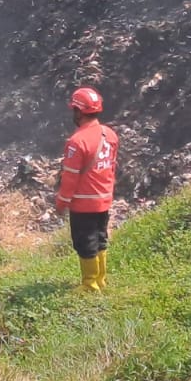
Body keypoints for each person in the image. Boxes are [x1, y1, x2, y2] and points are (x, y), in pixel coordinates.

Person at [54, 86, 119, 291]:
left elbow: (70, 177)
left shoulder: (77, 141)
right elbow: (111, 167)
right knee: (100, 238)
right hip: (104, 199)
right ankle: (101, 279)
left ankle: (90, 284)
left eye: (74, 109)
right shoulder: (110, 135)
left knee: (85, 243)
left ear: (79, 111)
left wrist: (62, 201)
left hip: (83, 202)